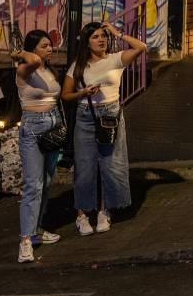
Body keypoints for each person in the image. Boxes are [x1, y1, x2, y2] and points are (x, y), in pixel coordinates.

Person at [61, 22, 148, 235]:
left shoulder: (115, 59)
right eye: (95, 37)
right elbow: (65, 94)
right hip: (85, 116)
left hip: (111, 116)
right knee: (84, 167)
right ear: (86, 42)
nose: (101, 40)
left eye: (103, 36)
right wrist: (83, 93)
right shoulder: (78, 66)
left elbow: (141, 47)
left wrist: (117, 32)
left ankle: (104, 210)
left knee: (110, 165)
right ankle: (82, 214)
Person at [11, 30, 65, 263]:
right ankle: (25, 240)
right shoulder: (25, 70)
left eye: (50, 45)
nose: (50, 49)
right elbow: (31, 60)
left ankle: (36, 230)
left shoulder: (48, 71)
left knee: (47, 182)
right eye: (44, 46)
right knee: (33, 184)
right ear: (33, 49)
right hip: (33, 129)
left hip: (52, 128)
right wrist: (20, 53)